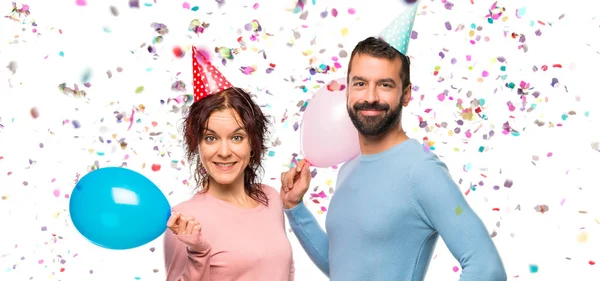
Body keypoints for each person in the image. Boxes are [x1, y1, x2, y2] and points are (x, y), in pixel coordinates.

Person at [280, 37, 507, 281]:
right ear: (347, 90)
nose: (370, 97)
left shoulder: (421, 171)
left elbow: (486, 267)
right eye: (360, 83)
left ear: (406, 94)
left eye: (385, 85)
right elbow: (343, 267)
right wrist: (294, 208)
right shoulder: (348, 169)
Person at [164, 87, 295, 281]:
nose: (224, 151)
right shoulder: (183, 220)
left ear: (252, 144)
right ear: (198, 145)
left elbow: (286, 271)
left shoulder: (270, 197)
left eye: (236, 137)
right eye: (211, 138)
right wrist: (198, 253)